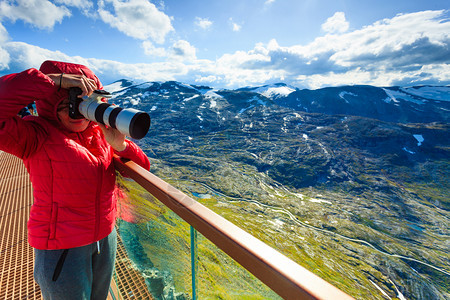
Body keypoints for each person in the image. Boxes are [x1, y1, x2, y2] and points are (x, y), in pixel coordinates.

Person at [0, 60, 150, 299]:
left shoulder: (99, 134)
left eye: (84, 103)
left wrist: (119, 144)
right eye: (68, 104)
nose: (78, 111)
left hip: (105, 236)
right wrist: (53, 81)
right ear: (50, 104)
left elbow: (143, 167)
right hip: (62, 247)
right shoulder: (35, 135)